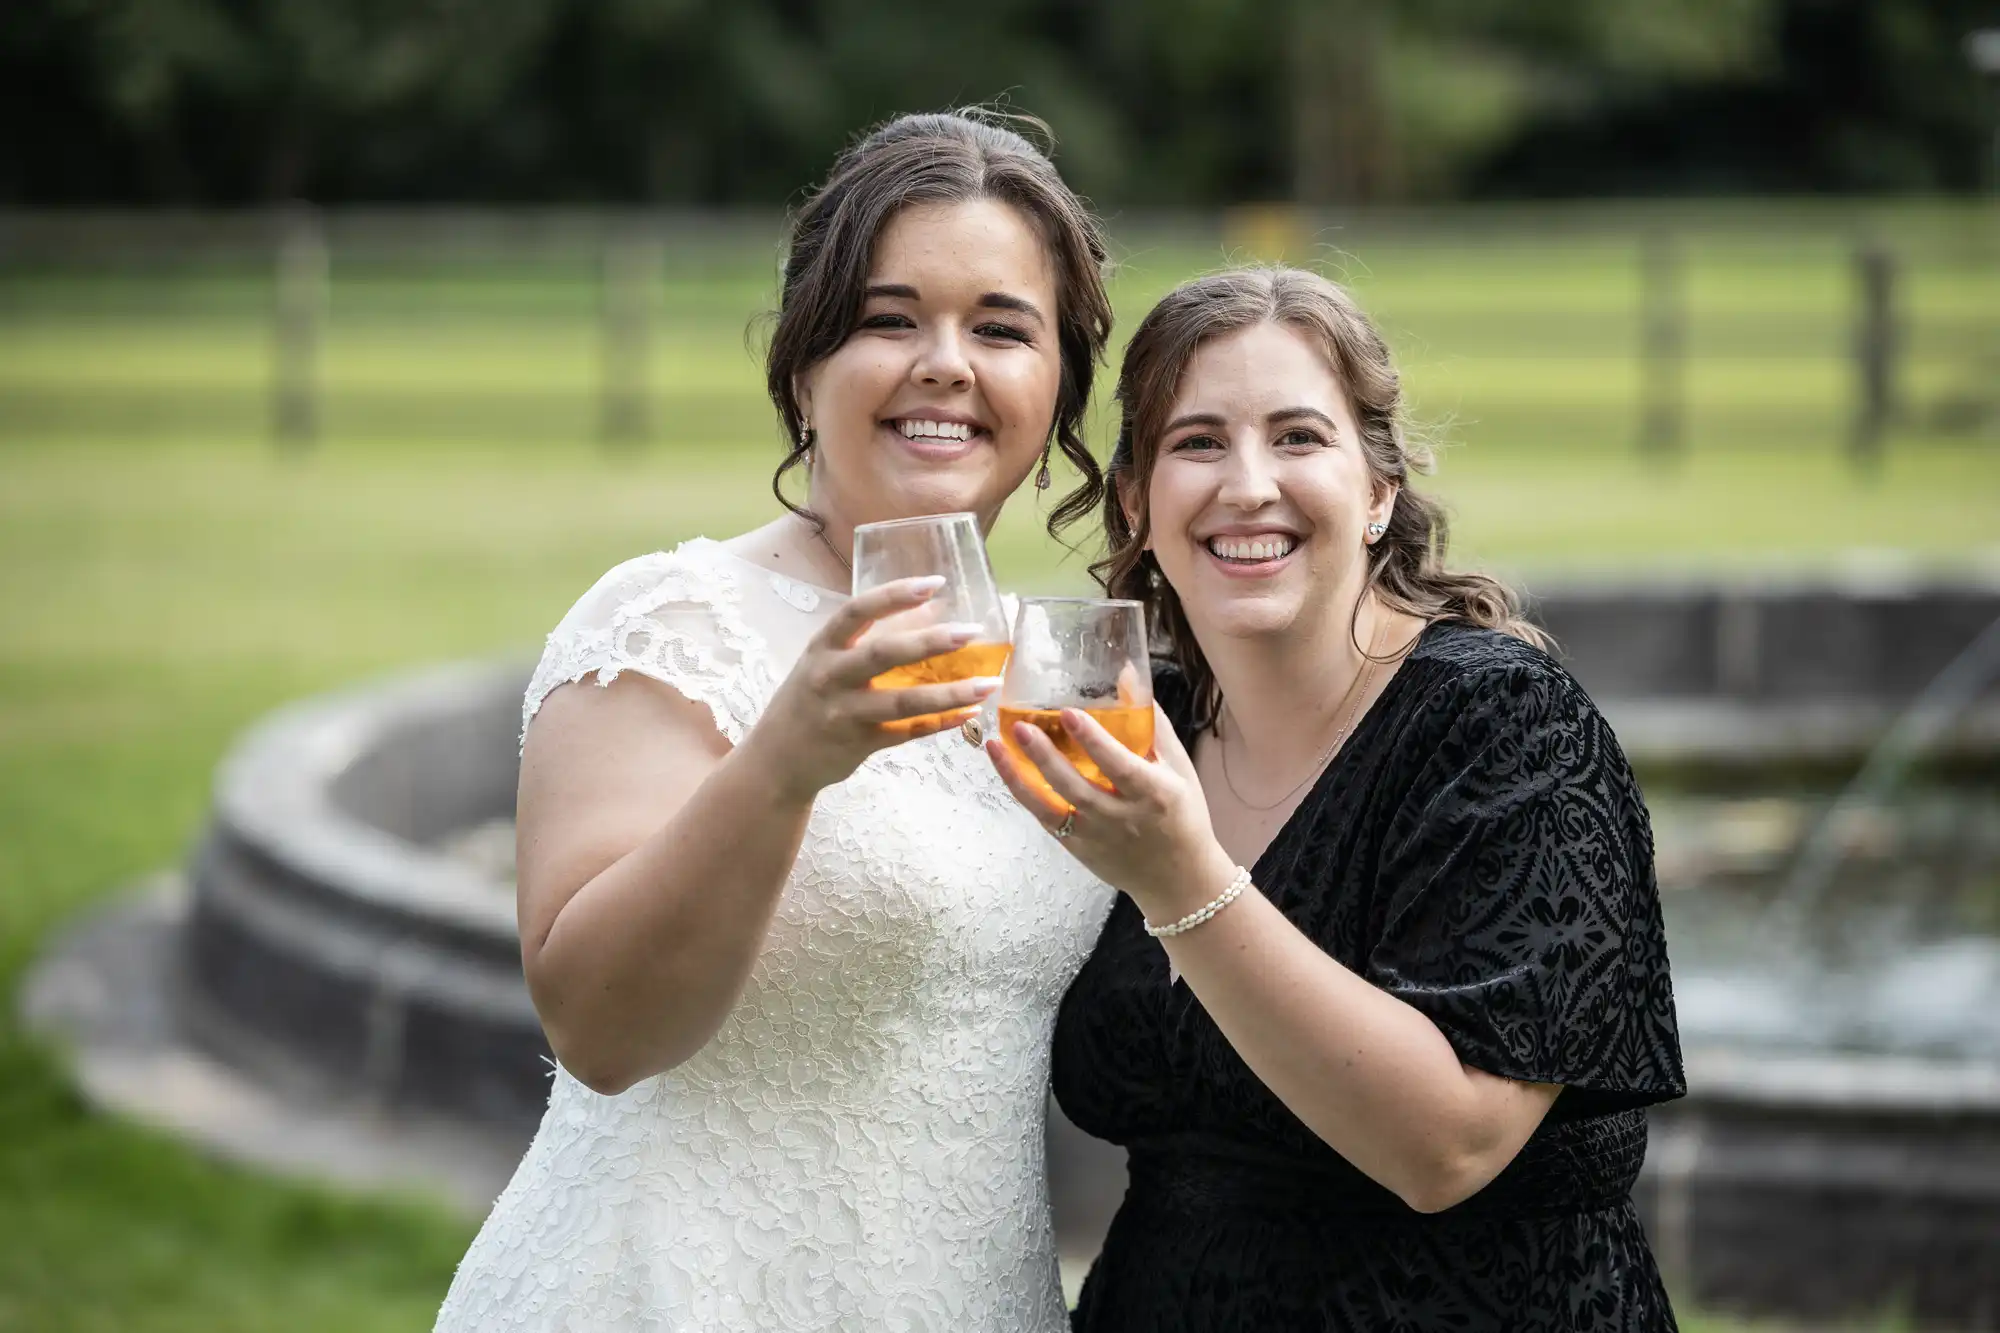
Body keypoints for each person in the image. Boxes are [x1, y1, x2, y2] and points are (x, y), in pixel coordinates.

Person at [433, 109, 1118, 1332]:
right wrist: (785, 763)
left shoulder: (1053, 660)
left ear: (1055, 379)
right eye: (888, 318)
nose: (945, 363)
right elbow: (598, 1026)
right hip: (669, 1293)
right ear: (804, 365)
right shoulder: (672, 620)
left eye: (1001, 328)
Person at [987, 266, 1686, 1331]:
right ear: (1136, 498)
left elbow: (1443, 1149)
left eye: (1298, 437)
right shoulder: (1136, 731)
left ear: (1377, 492)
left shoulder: (1504, 727)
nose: (1246, 484)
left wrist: (1182, 877)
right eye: (1197, 441)